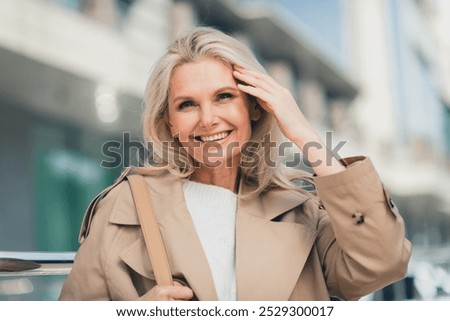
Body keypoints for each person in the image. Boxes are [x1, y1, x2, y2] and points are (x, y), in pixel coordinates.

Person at [59, 26, 411, 301]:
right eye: (187, 105)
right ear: (169, 123)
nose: (208, 119)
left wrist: (303, 131)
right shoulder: (124, 207)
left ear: (256, 106)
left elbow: (383, 262)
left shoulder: (301, 211)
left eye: (224, 97)